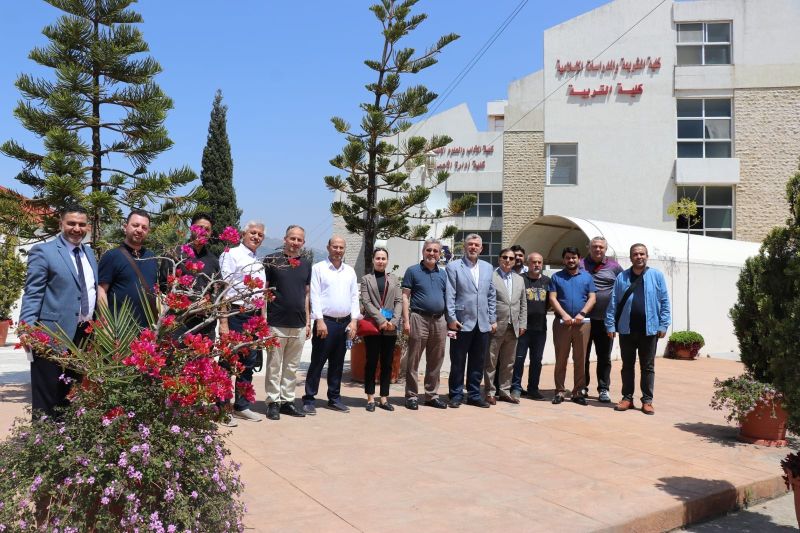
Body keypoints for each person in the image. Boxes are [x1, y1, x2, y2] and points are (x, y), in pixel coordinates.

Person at [19, 205, 98, 419]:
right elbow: (33, 293)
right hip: (51, 334)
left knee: (69, 394)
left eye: (81, 224)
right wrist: (25, 328)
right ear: (61, 223)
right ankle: (40, 438)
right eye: (71, 223)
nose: (76, 228)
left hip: (82, 335)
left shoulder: (89, 253)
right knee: (46, 396)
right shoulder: (44, 252)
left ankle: (64, 437)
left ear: (87, 227)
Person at [605, 243, 671, 415]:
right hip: (626, 329)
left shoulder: (656, 275)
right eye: (635, 254)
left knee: (647, 367)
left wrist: (663, 324)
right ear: (631, 257)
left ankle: (647, 401)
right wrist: (610, 324)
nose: (639, 257)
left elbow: (664, 301)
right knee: (627, 366)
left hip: (649, 330)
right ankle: (627, 398)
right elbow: (613, 301)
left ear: (647, 256)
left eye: (642, 254)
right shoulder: (622, 277)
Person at [302, 236, 360, 415]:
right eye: (335, 247)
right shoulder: (318, 268)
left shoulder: (349, 271)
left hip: (344, 323)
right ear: (328, 247)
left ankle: (334, 399)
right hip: (325, 323)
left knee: (337, 363)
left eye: (341, 247)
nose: (338, 250)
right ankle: (309, 399)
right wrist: (319, 320)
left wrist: (354, 321)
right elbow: (314, 295)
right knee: (318, 362)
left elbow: (354, 297)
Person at [262, 225, 312, 421]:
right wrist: (263, 318)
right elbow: (264, 291)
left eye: (299, 239)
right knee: (274, 366)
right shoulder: (272, 260)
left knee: (291, 367)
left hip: (299, 324)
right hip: (276, 322)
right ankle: (273, 402)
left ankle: (287, 401)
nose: (295, 242)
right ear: (285, 239)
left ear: (303, 242)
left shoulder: (306, 264)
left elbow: (306, 294)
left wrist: (308, 321)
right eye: (292, 238)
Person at [219, 221, 266, 422]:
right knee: (228, 362)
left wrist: (262, 320)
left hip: (253, 316)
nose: (256, 237)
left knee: (248, 362)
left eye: (260, 235)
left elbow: (261, 293)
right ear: (243, 234)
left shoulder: (258, 261)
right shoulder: (231, 254)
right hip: (235, 313)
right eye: (253, 233)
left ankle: (242, 405)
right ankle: (221, 407)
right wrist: (223, 322)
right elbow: (223, 289)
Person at [445, 233, 497, 408]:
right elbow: (450, 294)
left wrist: (492, 319)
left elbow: (491, 295)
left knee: (478, 362)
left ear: (481, 249)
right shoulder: (453, 267)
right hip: (460, 323)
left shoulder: (488, 267)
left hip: (482, 323)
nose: (473, 247)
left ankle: (474, 395)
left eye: (476, 245)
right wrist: (451, 318)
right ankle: (456, 395)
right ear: (465, 247)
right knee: (458, 361)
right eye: (470, 244)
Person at [401, 238, 448, 410]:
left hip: (439, 320)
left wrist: (449, 321)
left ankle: (431, 395)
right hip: (418, 318)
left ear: (439, 254)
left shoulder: (443, 274)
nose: (432, 253)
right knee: (413, 359)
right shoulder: (412, 271)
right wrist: (406, 321)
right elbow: (405, 296)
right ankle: (411, 396)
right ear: (423, 251)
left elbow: (447, 298)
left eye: (435, 251)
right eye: (429, 250)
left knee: (436, 360)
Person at [159, 213, 220, 339]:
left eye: (207, 229)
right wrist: (190, 305)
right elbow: (163, 287)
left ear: (211, 233)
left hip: (205, 325)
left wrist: (208, 304)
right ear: (191, 228)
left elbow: (218, 291)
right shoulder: (175, 254)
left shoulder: (213, 260)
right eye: (199, 227)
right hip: (178, 323)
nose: (203, 232)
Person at [548, 246, 596, 406]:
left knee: (580, 358)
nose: (571, 260)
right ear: (564, 259)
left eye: (574, 257)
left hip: (582, 324)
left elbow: (592, 298)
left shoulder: (587, 277)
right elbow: (553, 298)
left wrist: (582, 313)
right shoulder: (556, 277)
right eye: (568, 257)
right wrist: (564, 314)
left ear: (579, 259)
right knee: (561, 358)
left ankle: (578, 392)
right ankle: (559, 391)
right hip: (562, 324)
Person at [98, 210, 158, 328]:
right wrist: (106, 323)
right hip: (119, 329)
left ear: (148, 231)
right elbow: (101, 290)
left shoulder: (152, 257)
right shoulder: (112, 256)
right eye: (135, 225)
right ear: (125, 227)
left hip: (148, 330)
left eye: (144, 227)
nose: (139, 230)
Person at [360, 247, 403, 412]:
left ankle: (384, 398)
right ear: (373, 260)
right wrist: (381, 320)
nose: (380, 261)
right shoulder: (366, 279)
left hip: (390, 327)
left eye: (383, 258)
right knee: (371, 362)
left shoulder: (394, 279)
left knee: (387, 363)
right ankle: (370, 398)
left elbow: (399, 301)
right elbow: (366, 302)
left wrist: (394, 321)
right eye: (378, 258)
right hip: (373, 326)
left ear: (387, 261)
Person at [581, 236, 623, 403]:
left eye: (601, 247)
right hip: (584, 320)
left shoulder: (614, 266)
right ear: (589, 247)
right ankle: (582, 386)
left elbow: (623, 286)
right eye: (595, 246)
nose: (598, 249)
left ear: (606, 249)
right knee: (582, 355)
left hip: (606, 321)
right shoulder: (580, 264)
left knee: (604, 357)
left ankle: (603, 389)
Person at [484, 248, 526, 404]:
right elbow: (486, 300)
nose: (508, 260)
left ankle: (504, 391)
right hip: (496, 325)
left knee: (509, 362)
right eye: (505, 257)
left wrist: (522, 323)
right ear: (499, 259)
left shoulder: (519, 279)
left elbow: (523, 303)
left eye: (511, 258)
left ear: (515, 261)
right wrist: (490, 321)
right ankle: (489, 391)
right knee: (491, 361)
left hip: (514, 326)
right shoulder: (491, 276)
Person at [512, 252, 550, 400]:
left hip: (540, 328)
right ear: (528, 264)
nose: (537, 265)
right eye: (534, 262)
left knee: (536, 360)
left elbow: (550, 302)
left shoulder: (547, 281)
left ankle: (533, 388)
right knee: (519, 359)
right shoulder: (520, 279)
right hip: (522, 328)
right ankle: (516, 388)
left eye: (539, 262)